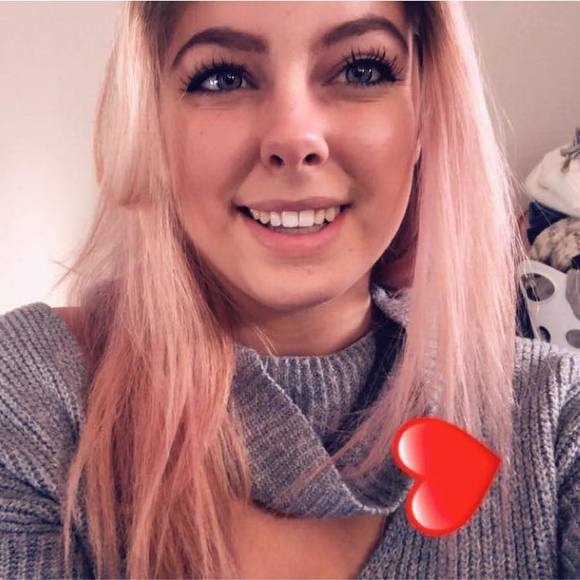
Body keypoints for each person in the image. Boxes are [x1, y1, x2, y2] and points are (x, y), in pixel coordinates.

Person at [0, 2, 578, 578]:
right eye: (223, 77)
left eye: (361, 70)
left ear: (425, 113)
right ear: (153, 122)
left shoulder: (555, 416)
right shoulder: (36, 395)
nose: (295, 137)